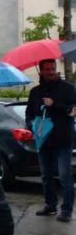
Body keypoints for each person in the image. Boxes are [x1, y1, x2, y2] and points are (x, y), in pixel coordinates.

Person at [25, 59, 76, 222]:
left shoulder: (68, 89)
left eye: (53, 68)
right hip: (43, 141)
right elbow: (29, 113)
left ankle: (66, 210)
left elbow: (72, 111)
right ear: (41, 71)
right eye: (47, 69)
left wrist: (54, 104)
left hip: (62, 139)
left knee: (64, 176)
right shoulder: (35, 92)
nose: (51, 71)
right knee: (46, 176)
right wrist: (31, 124)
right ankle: (50, 205)